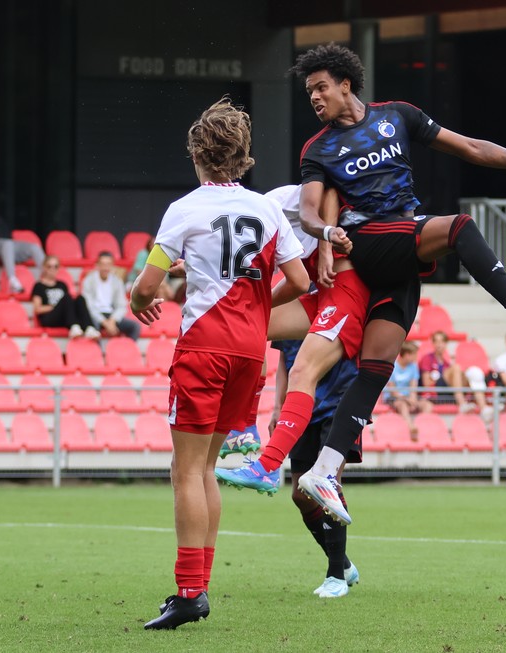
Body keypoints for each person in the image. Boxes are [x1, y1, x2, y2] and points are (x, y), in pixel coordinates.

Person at [279, 43, 506, 524]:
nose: (314, 98)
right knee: (458, 227)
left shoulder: (398, 116)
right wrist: (321, 232)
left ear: (345, 83)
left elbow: (471, 147)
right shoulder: (318, 149)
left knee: (376, 368)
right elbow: (311, 209)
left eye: (320, 87)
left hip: (400, 246)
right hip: (367, 239)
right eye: (309, 92)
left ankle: (325, 469)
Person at [129, 98, 309, 630]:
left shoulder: (185, 208)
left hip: (203, 349)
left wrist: (143, 301)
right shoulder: (268, 209)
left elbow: (145, 285)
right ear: (244, 157)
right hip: (249, 354)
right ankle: (197, 588)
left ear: (196, 154)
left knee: (185, 470)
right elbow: (300, 283)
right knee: (206, 468)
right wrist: (253, 309)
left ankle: (189, 592)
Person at [214, 184, 369, 478]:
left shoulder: (280, 203)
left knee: (301, 371)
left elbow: (329, 195)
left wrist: (325, 247)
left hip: (344, 299)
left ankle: (265, 468)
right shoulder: (259, 226)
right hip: (323, 296)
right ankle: (246, 426)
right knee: (249, 324)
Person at [270, 337, 361, 598]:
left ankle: (335, 576)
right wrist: (278, 406)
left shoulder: (340, 301)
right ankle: (343, 563)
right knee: (300, 495)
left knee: (327, 482)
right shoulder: (290, 305)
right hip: (302, 407)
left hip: (340, 405)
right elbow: (285, 360)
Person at [0, 189, 45, 294]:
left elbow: (6, 232)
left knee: (34, 247)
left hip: (7, 244)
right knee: (8, 244)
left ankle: (47, 277)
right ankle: (12, 280)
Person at [418, 331, 489, 418]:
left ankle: (484, 408)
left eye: (441, 341)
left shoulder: (446, 363)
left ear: (446, 343)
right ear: (433, 343)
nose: (439, 344)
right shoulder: (427, 359)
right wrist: (438, 377)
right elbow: (426, 383)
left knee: (474, 372)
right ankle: (462, 403)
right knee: (457, 367)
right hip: (435, 392)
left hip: (447, 392)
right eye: (436, 341)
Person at [30, 255, 97, 338]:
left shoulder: (62, 285)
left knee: (80, 299)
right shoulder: (39, 286)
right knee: (67, 298)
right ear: (44, 267)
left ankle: (89, 328)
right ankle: (74, 326)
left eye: (56, 266)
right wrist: (56, 306)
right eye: (49, 266)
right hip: (49, 318)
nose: (52, 269)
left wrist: (62, 306)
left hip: (63, 317)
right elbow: (38, 309)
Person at [81, 252, 140, 340]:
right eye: (103, 264)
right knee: (92, 328)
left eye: (108, 264)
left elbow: (121, 305)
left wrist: (112, 321)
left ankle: (128, 351)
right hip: (94, 316)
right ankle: (97, 352)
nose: (105, 268)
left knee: (135, 326)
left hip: (111, 315)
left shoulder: (117, 282)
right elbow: (89, 306)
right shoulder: (88, 281)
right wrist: (105, 322)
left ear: (112, 265)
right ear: (97, 265)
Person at [384, 341, 432, 435]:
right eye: (414, 355)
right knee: (402, 405)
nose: (416, 358)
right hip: (394, 398)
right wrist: (407, 399)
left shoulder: (413, 367)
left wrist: (413, 398)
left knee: (427, 405)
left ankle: (421, 427)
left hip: (408, 397)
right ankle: (411, 426)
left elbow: (413, 387)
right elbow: (393, 391)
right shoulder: (392, 366)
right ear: (406, 355)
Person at [127, 236, 175, 301]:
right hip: (135, 283)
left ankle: (163, 309)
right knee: (161, 288)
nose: (157, 248)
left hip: (156, 285)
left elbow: (163, 277)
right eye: (155, 245)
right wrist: (165, 286)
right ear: (149, 245)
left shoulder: (162, 257)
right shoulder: (143, 254)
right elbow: (141, 274)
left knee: (161, 290)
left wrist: (164, 286)